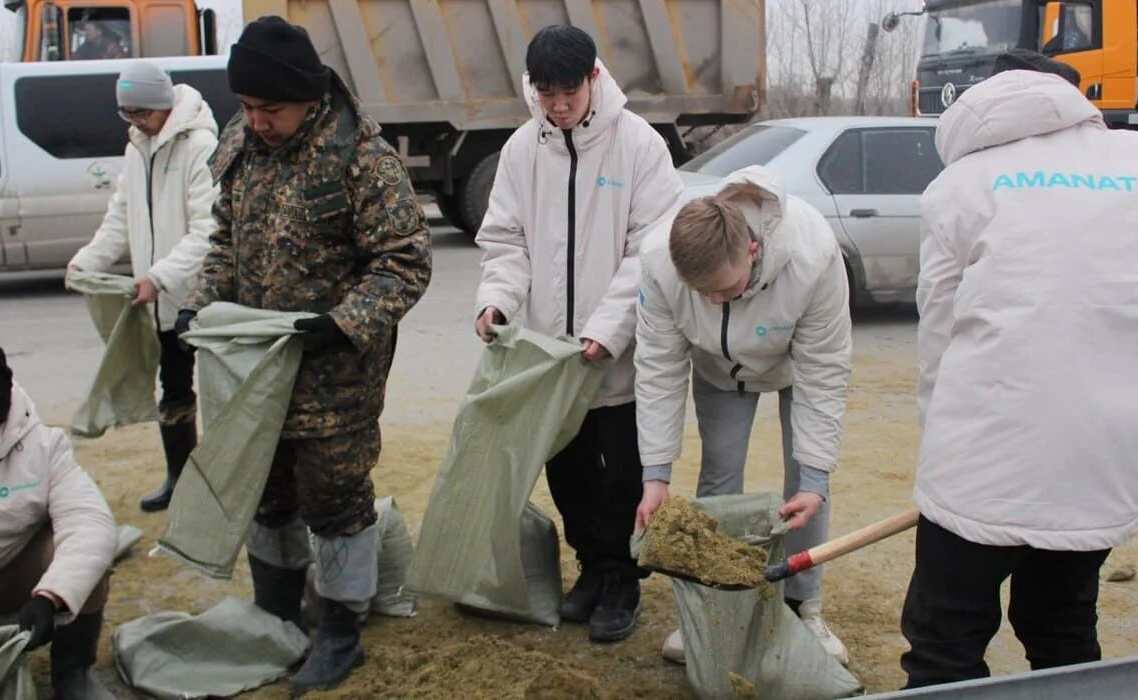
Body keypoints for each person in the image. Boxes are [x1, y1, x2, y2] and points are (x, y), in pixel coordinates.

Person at [900, 50, 1138, 688]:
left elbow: (939, 334)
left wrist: (939, 447)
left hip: (985, 460)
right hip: (1112, 453)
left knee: (945, 634)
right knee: (1060, 617)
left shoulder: (960, 185)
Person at [176, 15, 432, 693]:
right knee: (266, 493)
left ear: (310, 97)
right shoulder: (243, 142)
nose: (256, 121)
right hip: (252, 374)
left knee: (336, 501)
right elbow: (225, 237)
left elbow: (405, 263)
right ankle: (277, 615)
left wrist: (341, 322)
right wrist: (201, 304)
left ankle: (341, 633)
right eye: (248, 107)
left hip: (334, 378)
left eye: (271, 109)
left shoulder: (361, 159)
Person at [473, 24, 683, 643]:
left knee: (621, 477)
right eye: (546, 94)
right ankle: (591, 569)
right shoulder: (521, 151)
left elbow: (651, 250)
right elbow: (505, 242)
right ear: (532, 89)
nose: (558, 106)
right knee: (568, 476)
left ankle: (623, 580)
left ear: (594, 78)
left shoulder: (639, 146)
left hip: (614, 359)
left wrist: (606, 330)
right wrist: (497, 303)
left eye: (569, 91)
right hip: (550, 362)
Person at [632, 166, 853, 665]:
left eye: (725, 291)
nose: (713, 301)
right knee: (719, 474)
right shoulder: (657, 261)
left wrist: (816, 474)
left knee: (805, 484)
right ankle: (717, 609)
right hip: (717, 368)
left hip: (796, 363)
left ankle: (803, 606)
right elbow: (658, 367)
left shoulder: (812, 253)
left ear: (752, 250)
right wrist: (656, 474)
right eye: (702, 293)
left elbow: (824, 368)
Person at [68, 60, 220, 514]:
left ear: (164, 105)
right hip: (161, 305)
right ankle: (180, 479)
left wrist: (159, 276)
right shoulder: (138, 149)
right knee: (172, 392)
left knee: (221, 394)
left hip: (203, 298)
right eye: (127, 114)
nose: (135, 122)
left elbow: (208, 231)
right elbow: (120, 217)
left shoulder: (200, 146)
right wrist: (86, 262)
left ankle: (226, 484)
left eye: (141, 112)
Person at [0, 340, 118, 700]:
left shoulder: (45, 447)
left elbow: (90, 523)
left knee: (88, 560)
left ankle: (73, 674)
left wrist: (50, 596)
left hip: (14, 576)